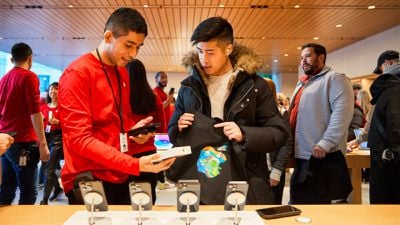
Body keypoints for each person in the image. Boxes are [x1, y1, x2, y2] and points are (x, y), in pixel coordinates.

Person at [58, 7, 174, 205]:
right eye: (128, 45)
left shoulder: (120, 72)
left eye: (138, 47)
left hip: (119, 172)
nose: (133, 54)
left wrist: (132, 133)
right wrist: (135, 164)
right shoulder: (78, 74)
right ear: (109, 36)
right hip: (90, 177)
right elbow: (79, 140)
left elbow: (112, 125)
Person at [167, 17, 288, 204]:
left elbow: (279, 133)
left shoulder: (254, 86)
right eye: (199, 51)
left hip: (245, 180)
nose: (203, 59)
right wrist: (179, 127)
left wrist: (244, 134)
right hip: (200, 182)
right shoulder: (188, 87)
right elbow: (173, 134)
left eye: (210, 52)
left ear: (228, 49)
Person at [289, 43, 353, 204]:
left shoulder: (335, 78)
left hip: (321, 155)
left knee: (319, 206)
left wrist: (326, 143)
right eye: (301, 58)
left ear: (321, 57)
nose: (303, 61)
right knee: (299, 202)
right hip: (301, 154)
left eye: (308, 56)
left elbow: (342, 114)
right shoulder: (302, 83)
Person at [0, 42, 50, 205]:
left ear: (12, 59)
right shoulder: (29, 77)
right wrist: (43, 143)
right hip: (24, 143)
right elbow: (35, 112)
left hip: (7, 142)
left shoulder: (4, 79)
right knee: (28, 193)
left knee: (7, 189)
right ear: (30, 58)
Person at [126, 59, 167, 203]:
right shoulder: (154, 98)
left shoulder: (121, 98)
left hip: (125, 153)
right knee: (147, 196)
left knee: (125, 198)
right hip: (149, 152)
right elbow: (162, 129)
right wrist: (163, 154)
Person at [368, 50, 400, 204]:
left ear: (386, 64)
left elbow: (395, 122)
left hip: (386, 159)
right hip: (387, 155)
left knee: (385, 204)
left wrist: (394, 151)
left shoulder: (392, 88)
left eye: (380, 69)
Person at [264, 78, 293, 204]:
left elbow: (287, 143)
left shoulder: (281, 113)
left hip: (273, 169)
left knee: (273, 207)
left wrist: (277, 169)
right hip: (253, 171)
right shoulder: (250, 112)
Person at [40, 82, 64, 205]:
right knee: (46, 168)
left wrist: (58, 122)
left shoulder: (63, 107)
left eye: (55, 89)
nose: (53, 91)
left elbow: (69, 124)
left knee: (49, 169)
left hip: (58, 139)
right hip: (45, 138)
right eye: (51, 90)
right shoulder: (43, 107)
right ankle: (58, 188)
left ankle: (44, 200)